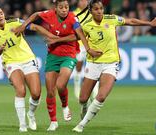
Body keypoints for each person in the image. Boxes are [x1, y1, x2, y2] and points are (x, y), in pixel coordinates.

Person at [72, 0, 156, 132]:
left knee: (101, 96)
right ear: (91, 11)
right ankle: (84, 107)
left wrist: (149, 23)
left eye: (101, 8)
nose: (100, 11)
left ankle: (82, 125)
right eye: (96, 9)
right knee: (83, 99)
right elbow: (76, 37)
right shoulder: (86, 25)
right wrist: (56, 40)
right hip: (93, 63)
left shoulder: (111, 19)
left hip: (111, 63)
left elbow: (131, 21)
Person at [14, 0, 102, 131]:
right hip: (52, 55)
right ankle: (53, 121)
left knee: (61, 85)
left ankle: (65, 106)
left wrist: (88, 50)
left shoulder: (73, 18)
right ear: (56, 8)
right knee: (50, 91)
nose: (64, 10)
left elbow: (79, 36)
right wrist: (24, 25)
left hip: (69, 54)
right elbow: (36, 15)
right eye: (61, 7)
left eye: (66, 7)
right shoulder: (49, 14)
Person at [0, 5, 55, 132]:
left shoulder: (15, 22)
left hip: (28, 59)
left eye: (1, 13)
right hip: (11, 62)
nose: (0, 16)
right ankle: (22, 124)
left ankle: (31, 114)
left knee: (36, 93)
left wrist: (50, 36)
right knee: (21, 90)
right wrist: (0, 49)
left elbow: (34, 26)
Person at [73, 0, 99, 100]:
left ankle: (95, 89)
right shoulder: (74, 14)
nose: (84, 2)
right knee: (79, 66)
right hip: (79, 44)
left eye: (86, 0)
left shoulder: (91, 13)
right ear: (78, 3)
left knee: (94, 66)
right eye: (82, 0)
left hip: (91, 44)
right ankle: (77, 86)